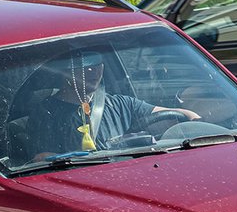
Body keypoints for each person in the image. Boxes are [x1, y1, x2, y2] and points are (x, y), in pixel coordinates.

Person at [29, 50, 198, 159]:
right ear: (66, 73)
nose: (94, 71)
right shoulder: (45, 112)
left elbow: (175, 116)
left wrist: (197, 124)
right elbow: (41, 158)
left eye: (97, 65)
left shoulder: (122, 104)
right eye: (85, 67)